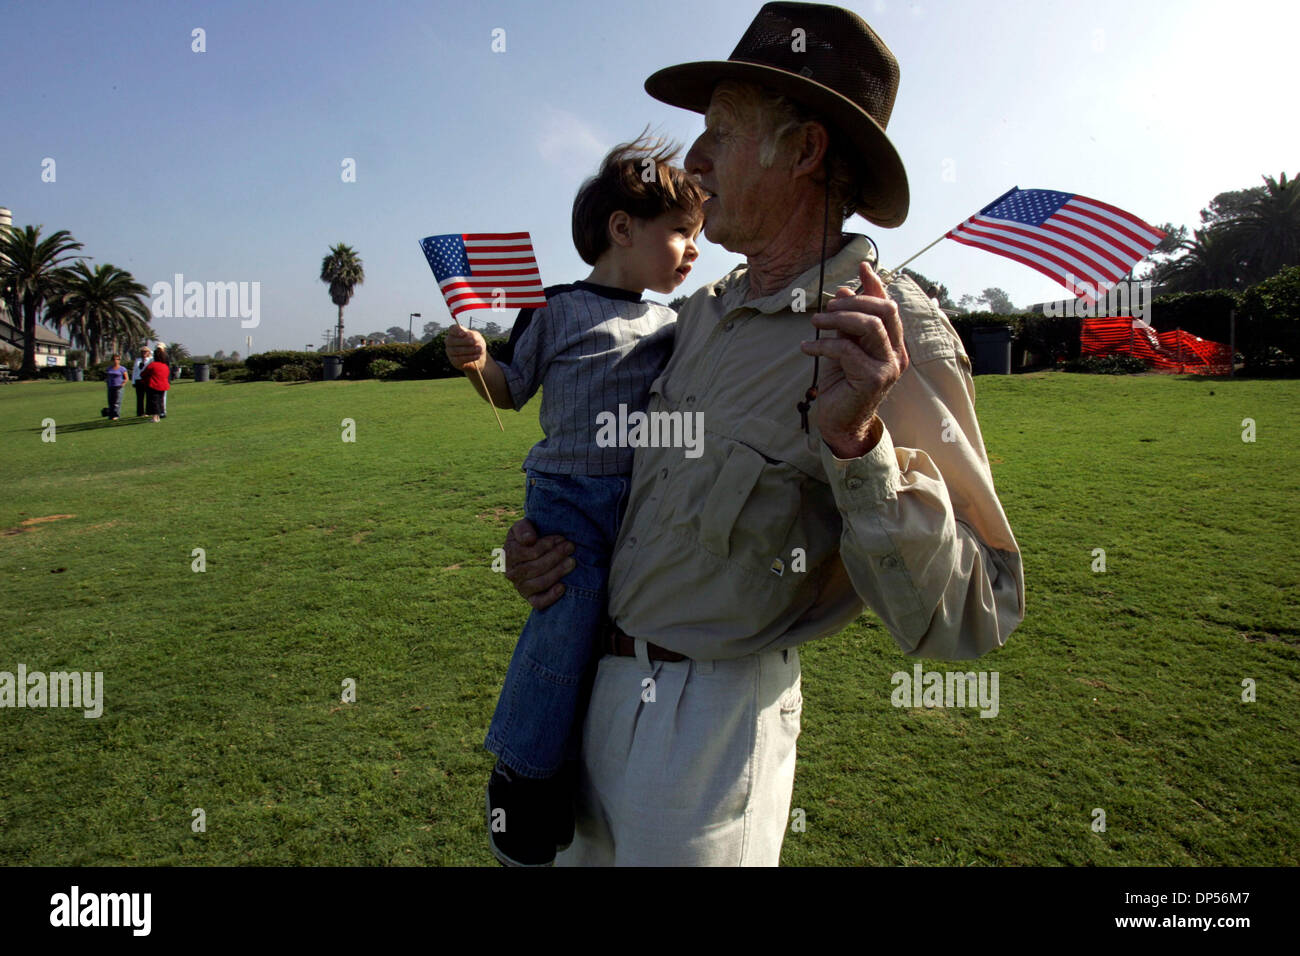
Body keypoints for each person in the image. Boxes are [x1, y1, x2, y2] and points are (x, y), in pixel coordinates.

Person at [502, 2, 1025, 866]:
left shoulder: (891, 337)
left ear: (806, 151)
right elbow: (633, 495)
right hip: (593, 691)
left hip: (709, 735)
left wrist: (858, 444)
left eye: (721, 131)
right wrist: (549, 548)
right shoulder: (698, 316)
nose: (693, 159)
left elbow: (976, 613)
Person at [443, 136, 705, 866]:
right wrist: (476, 364)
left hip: (642, 501)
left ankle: (580, 778)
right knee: (568, 623)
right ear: (623, 229)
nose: (692, 252)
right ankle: (523, 779)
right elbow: (510, 390)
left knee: (613, 643)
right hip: (568, 495)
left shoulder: (674, 324)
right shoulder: (553, 308)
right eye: (682, 234)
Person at [143, 346, 170, 422]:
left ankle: (155, 417)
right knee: (160, 401)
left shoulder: (153, 365)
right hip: (163, 386)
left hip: (154, 385)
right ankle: (158, 415)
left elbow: (144, 373)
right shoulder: (165, 366)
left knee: (154, 401)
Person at [104, 354, 128, 420]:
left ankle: (116, 415)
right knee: (111, 401)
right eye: (114, 359)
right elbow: (107, 376)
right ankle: (111, 415)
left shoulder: (122, 369)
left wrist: (123, 383)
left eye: (117, 359)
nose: (116, 361)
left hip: (119, 387)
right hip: (111, 386)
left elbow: (126, 378)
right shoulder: (109, 368)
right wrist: (106, 381)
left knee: (117, 402)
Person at [131, 346, 151, 417]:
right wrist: (133, 381)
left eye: (145, 351)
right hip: (138, 380)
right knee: (139, 398)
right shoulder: (138, 360)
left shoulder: (150, 360)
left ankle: (148, 412)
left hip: (146, 380)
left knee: (148, 397)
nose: (144, 353)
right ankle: (140, 412)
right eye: (142, 351)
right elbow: (134, 371)